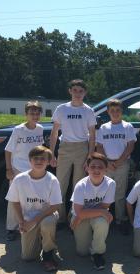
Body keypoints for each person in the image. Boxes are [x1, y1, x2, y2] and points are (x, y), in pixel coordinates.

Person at [5, 146, 62, 272]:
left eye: (43, 159)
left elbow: (55, 206)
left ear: (48, 162)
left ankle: (48, 253)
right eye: (35, 158)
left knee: (47, 223)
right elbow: (14, 201)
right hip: (27, 219)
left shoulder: (52, 180)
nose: (39, 161)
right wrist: (21, 222)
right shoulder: (19, 179)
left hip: (46, 215)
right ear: (30, 160)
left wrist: (34, 221)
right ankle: (38, 242)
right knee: (28, 257)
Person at [49, 79, 96, 224]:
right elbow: (54, 132)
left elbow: (93, 135)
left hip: (82, 148)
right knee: (60, 184)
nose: (77, 93)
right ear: (70, 91)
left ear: (85, 93)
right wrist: (51, 153)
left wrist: (90, 156)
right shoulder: (62, 109)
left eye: (81, 91)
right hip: (65, 148)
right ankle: (60, 218)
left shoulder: (88, 110)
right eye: (75, 90)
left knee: (78, 186)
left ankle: (74, 217)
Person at [4, 100, 44, 241]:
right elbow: (8, 150)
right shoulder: (19, 130)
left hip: (34, 170)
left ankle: (31, 224)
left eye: (37, 113)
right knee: (15, 199)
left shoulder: (39, 128)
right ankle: (11, 228)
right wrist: (9, 169)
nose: (35, 115)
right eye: (31, 113)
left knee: (31, 198)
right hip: (18, 169)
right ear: (26, 114)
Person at [96, 99, 136, 235]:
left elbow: (130, 146)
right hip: (106, 164)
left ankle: (119, 219)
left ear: (121, 111)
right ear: (108, 112)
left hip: (122, 164)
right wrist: (106, 162)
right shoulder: (103, 127)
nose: (115, 113)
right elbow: (99, 146)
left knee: (119, 193)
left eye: (118, 110)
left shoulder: (128, 127)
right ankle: (103, 217)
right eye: (112, 110)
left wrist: (119, 161)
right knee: (104, 192)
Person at [70, 152, 115, 270]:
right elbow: (79, 212)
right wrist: (79, 216)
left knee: (102, 221)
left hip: (93, 214)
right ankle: (87, 237)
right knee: (82, 252)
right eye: (93, 167)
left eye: (100, 167)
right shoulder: (81, 185)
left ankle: (97, 253)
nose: (96, 170)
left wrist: (101, 212)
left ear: (106, 169)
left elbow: (105, 206)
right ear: (87, 168)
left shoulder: (110, 184)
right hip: (81, 215)